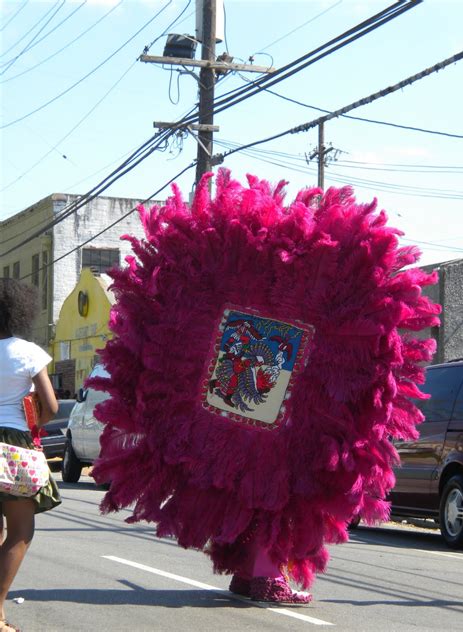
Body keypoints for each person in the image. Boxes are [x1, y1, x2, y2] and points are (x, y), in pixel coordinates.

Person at [90, 170, 440, 605]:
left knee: (263, 477)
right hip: (250, 403)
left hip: (257, 400)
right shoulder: (251, 301)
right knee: (272, 480)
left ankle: (249, 570)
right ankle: (261, 575)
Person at [0, 278, 62, 632]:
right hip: (14, 446)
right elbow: (51, 407)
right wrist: (34, 422)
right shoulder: (27, 351)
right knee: (20, 531)